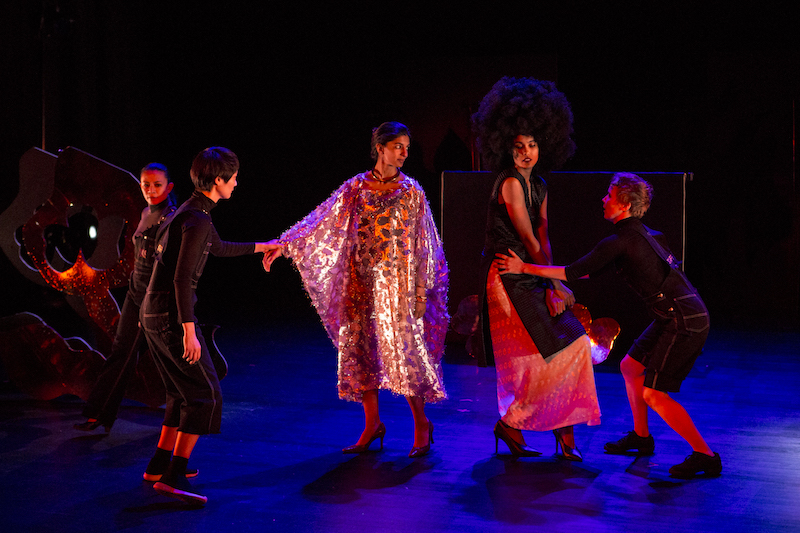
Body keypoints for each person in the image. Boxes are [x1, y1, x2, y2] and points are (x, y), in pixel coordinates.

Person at [495, 172, 721, 478]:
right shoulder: (643, 235)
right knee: (630, 368)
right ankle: (642, 438)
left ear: (624, 205)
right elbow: (589, 271)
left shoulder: (622, 240)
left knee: (654, 394)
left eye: (609, 196)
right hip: (676, 314)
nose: (604, 200)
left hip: (683, 319)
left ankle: (705, 455)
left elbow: (574, 271)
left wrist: (523, 267)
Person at [264, 122, 448, 458]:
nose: (405, 153)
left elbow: (424, 246)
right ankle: (372, 424)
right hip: (361, 284)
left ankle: (422, 424)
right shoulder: (356, 188)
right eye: (398, 146)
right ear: (380, 148)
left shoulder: (412, 192)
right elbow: (321, 220)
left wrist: (421, 292)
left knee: (405, 355)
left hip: (398, 289)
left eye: (407, 147)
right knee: (363, 353)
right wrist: (284, 244)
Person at [140, 147, 281, 505]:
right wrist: (188, 329)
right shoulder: (197, 218)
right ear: (218, 181)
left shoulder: (188, 213)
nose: (236, 183)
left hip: (153, 314)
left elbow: (216, 248)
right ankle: (173, 476)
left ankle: (159, 465)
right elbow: (182, 277)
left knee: (179, 393)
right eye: (233, 178)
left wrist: (265, 246)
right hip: (170, 317)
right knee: (205, 394)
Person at [472, 77, 601, 461]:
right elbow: (527, 241)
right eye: (518, 147)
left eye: (532, 145)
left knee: (575, 343)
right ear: (505, 149)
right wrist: (552, 286)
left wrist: (554, 282)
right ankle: (519, 425)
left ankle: (559, 428)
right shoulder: (510, 183)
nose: (527, 153)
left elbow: (544, 239)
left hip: (532, 270)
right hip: (508, 274)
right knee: (539, 355)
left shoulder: (540, 184)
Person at [75, 163, 177, 433]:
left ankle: (182, 417)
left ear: (169, 187)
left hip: (157, 296)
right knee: (121, 352)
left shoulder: (172, 219)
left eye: (157, 185)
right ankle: (98, 413)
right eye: (146, 184)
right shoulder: (145, 212)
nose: (151, 190)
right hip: (135, 292)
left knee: (169, 359)